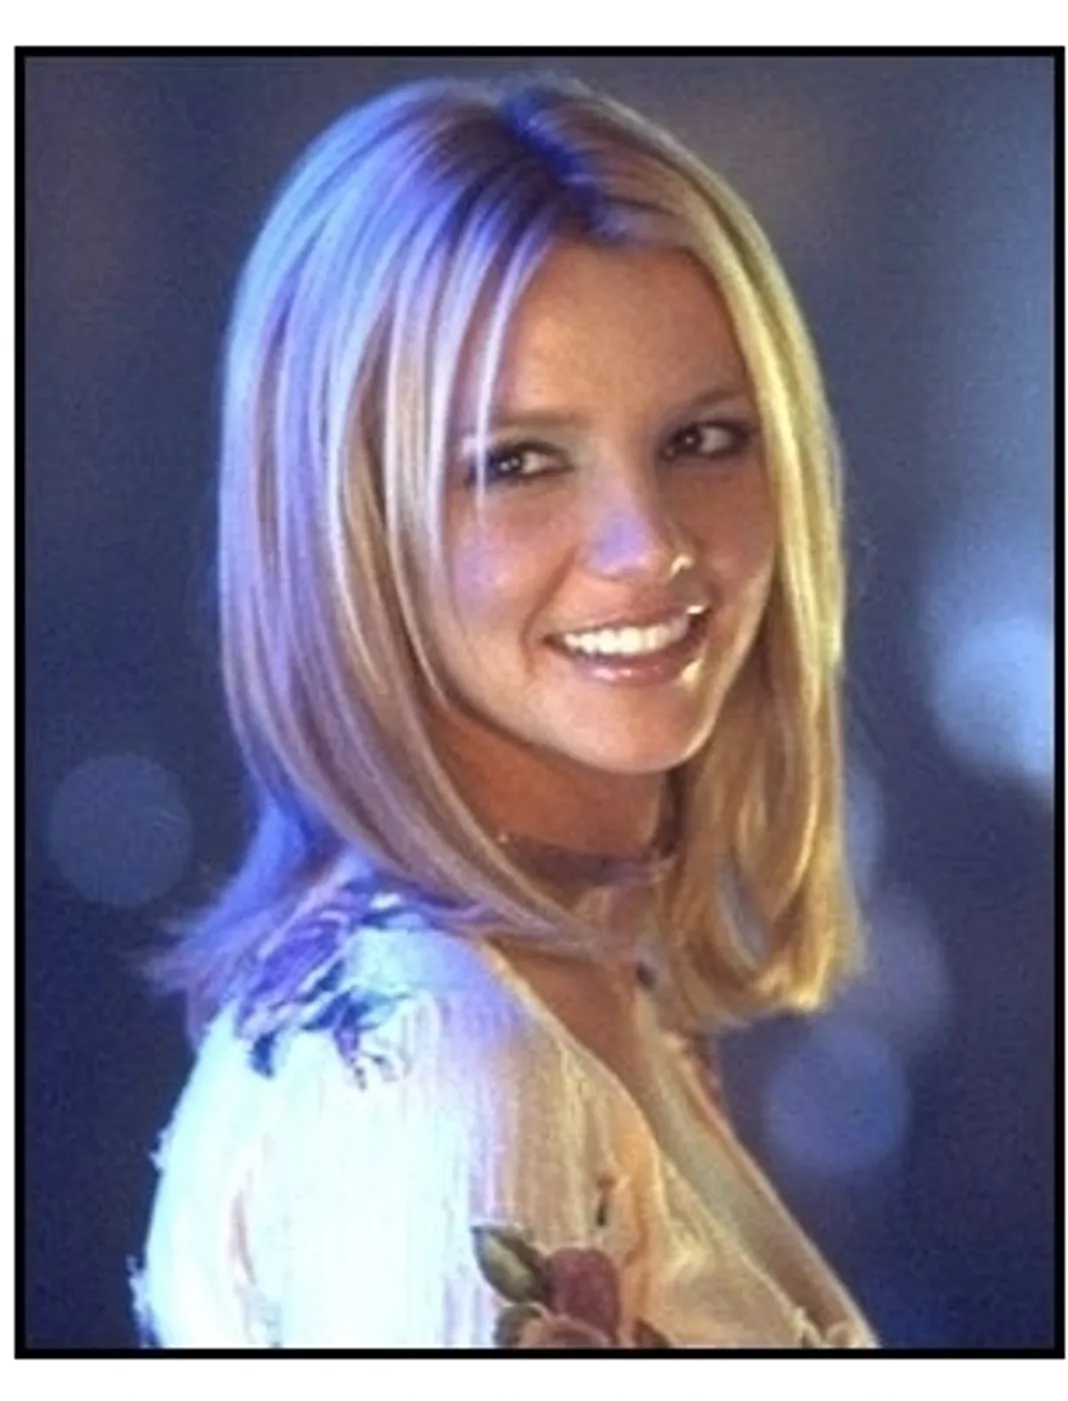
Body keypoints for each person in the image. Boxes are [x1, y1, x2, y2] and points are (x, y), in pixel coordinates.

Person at [130, 73, 876, 1350]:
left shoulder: (578, 986)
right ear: (349, 526)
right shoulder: (453, 1067)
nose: (649, 548)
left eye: (704, 440)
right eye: (518, 463)